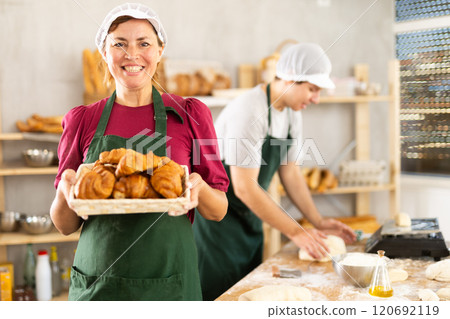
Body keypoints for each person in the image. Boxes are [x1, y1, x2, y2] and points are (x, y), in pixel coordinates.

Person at [49, 3, 228, 301]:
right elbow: (65, 225)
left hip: (169, 284)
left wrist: (199, 188)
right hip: (99, 285)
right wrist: (65, 190)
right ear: (105, 53)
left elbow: (219, 210)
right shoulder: (82, 120)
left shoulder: (192, 115)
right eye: (119, 44)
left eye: (144, 43)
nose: (131, 55)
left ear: (159, 51)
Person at [193, 43, 357, 300]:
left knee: (248, 294)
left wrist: (318, 221)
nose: (316, 99)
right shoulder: (250, 110)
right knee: (222, 297)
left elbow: (290, 173)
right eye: (312, 89)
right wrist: (295, 232)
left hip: (250, 218)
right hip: (218, 224)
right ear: (290, 79)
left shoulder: (291, 112)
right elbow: (245, 187)